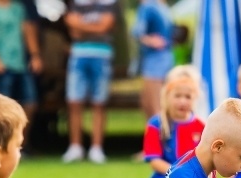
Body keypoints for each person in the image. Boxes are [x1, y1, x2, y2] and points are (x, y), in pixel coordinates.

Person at [0, 0, 43, 150]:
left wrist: (35, 55)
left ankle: (20, 144)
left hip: (21, 65)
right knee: (0, 110)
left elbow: (27, 31)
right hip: (0, 67)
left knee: (30, 102)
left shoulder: (18, 8)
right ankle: (1, 145)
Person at [61, 0, 119, 164]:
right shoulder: (77, 2)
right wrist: (95, 28)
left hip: (102, 55)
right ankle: (75, 147)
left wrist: (82, 27)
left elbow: (105, 26)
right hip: (78, 54)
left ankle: (96, 148)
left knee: (99, 103)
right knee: (74, 102)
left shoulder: (110, 3)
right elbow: (72, 29)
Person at [142, 65, 205, 178]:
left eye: (187, 96)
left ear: (196, 97)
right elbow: (154, 161)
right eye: (177, 96)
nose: (182, 101)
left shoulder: (202, 126)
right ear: (167, 95)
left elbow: (206, 159)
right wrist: (179, 173)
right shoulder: (156, 125)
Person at [133, 0, 174, 123]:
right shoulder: (163, 7)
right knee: (155, 105)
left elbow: (136, 31)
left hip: (154, 63)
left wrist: (149, 40)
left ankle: (158, 140)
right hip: (166, 59)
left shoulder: (149, 6)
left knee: (154, 107)